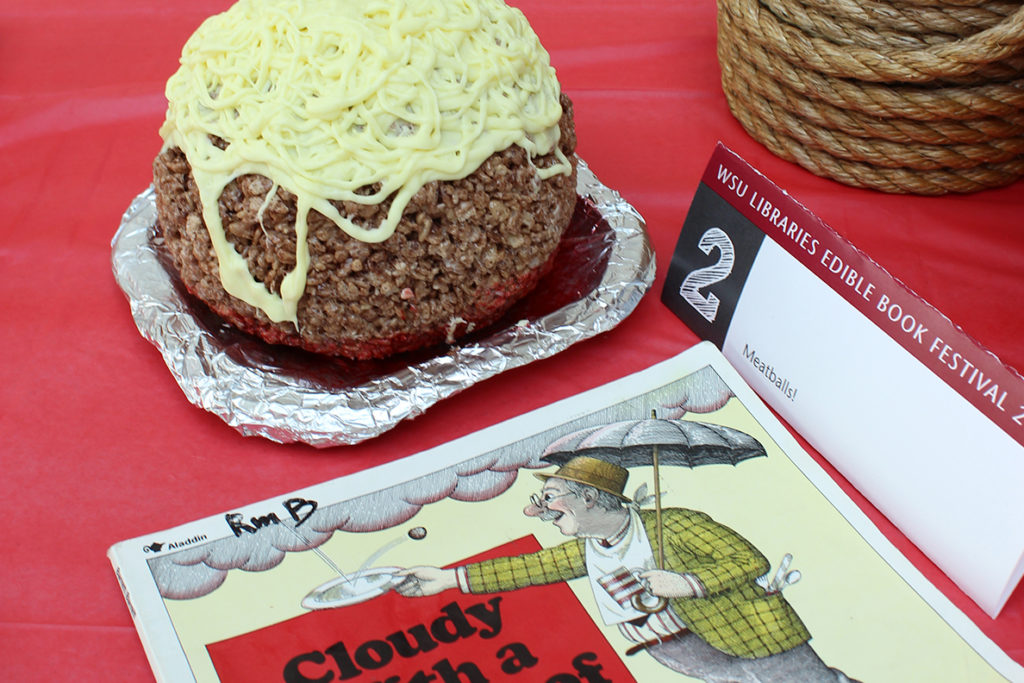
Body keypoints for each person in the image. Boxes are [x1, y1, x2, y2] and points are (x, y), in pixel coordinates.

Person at [397, 455, 855, 682]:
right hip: (676, 651)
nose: (540, 507)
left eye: (552, 496)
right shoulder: (592, 544)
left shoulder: (673, 525)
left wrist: (688, 583)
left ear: (590, 497)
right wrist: (447, 578)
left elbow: (748, 560)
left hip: (748, 631)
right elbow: (532, 568)